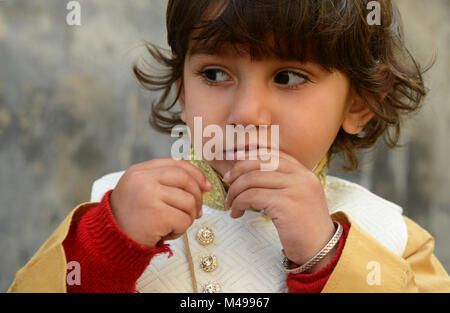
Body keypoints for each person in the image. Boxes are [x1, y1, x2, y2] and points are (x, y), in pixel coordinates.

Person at [9, 0, 450, 293]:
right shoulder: (111, 214)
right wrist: (106, 250)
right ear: (183, 91)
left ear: (359, 103)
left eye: (288, 77)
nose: (246, 113)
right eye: (215, 74)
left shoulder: (390, 239)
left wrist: (327, 257)